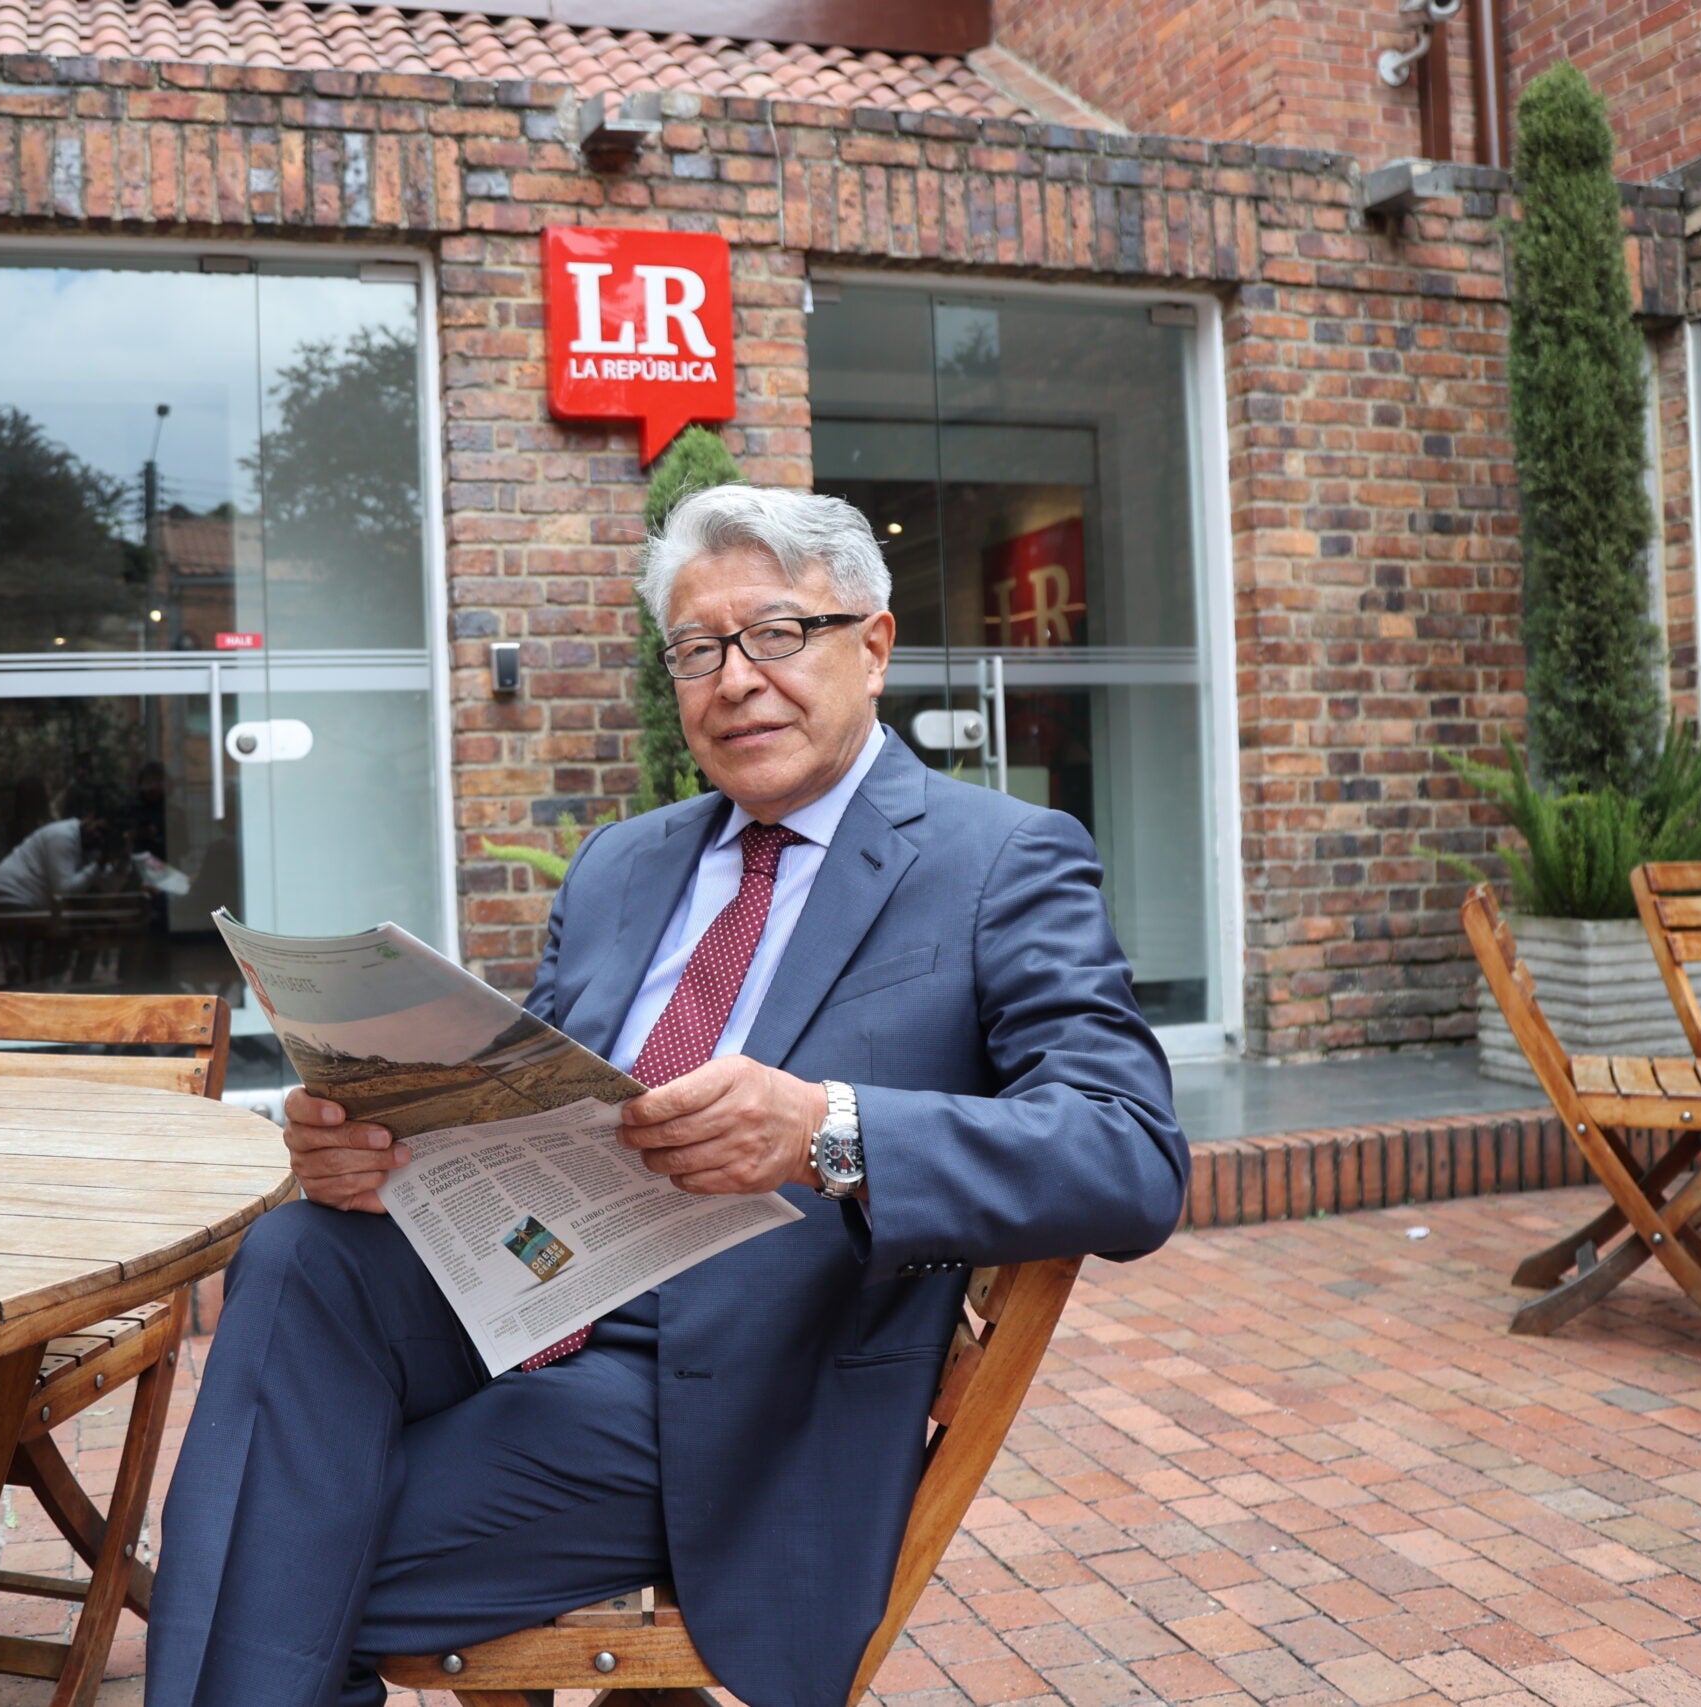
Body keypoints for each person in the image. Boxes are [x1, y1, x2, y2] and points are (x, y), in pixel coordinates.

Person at [144, 484, 1187, 1707]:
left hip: (731, 1384)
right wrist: (383, 1153)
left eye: (779, 633)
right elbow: (526, 1117)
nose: (736, 679)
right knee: (303, 1249)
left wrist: (828, 1132)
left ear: (876, 646)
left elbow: (1129, 1155)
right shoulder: (622, 865)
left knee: (249, 1569)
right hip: (527, 1294)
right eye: (698, 649)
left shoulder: (996, 861)